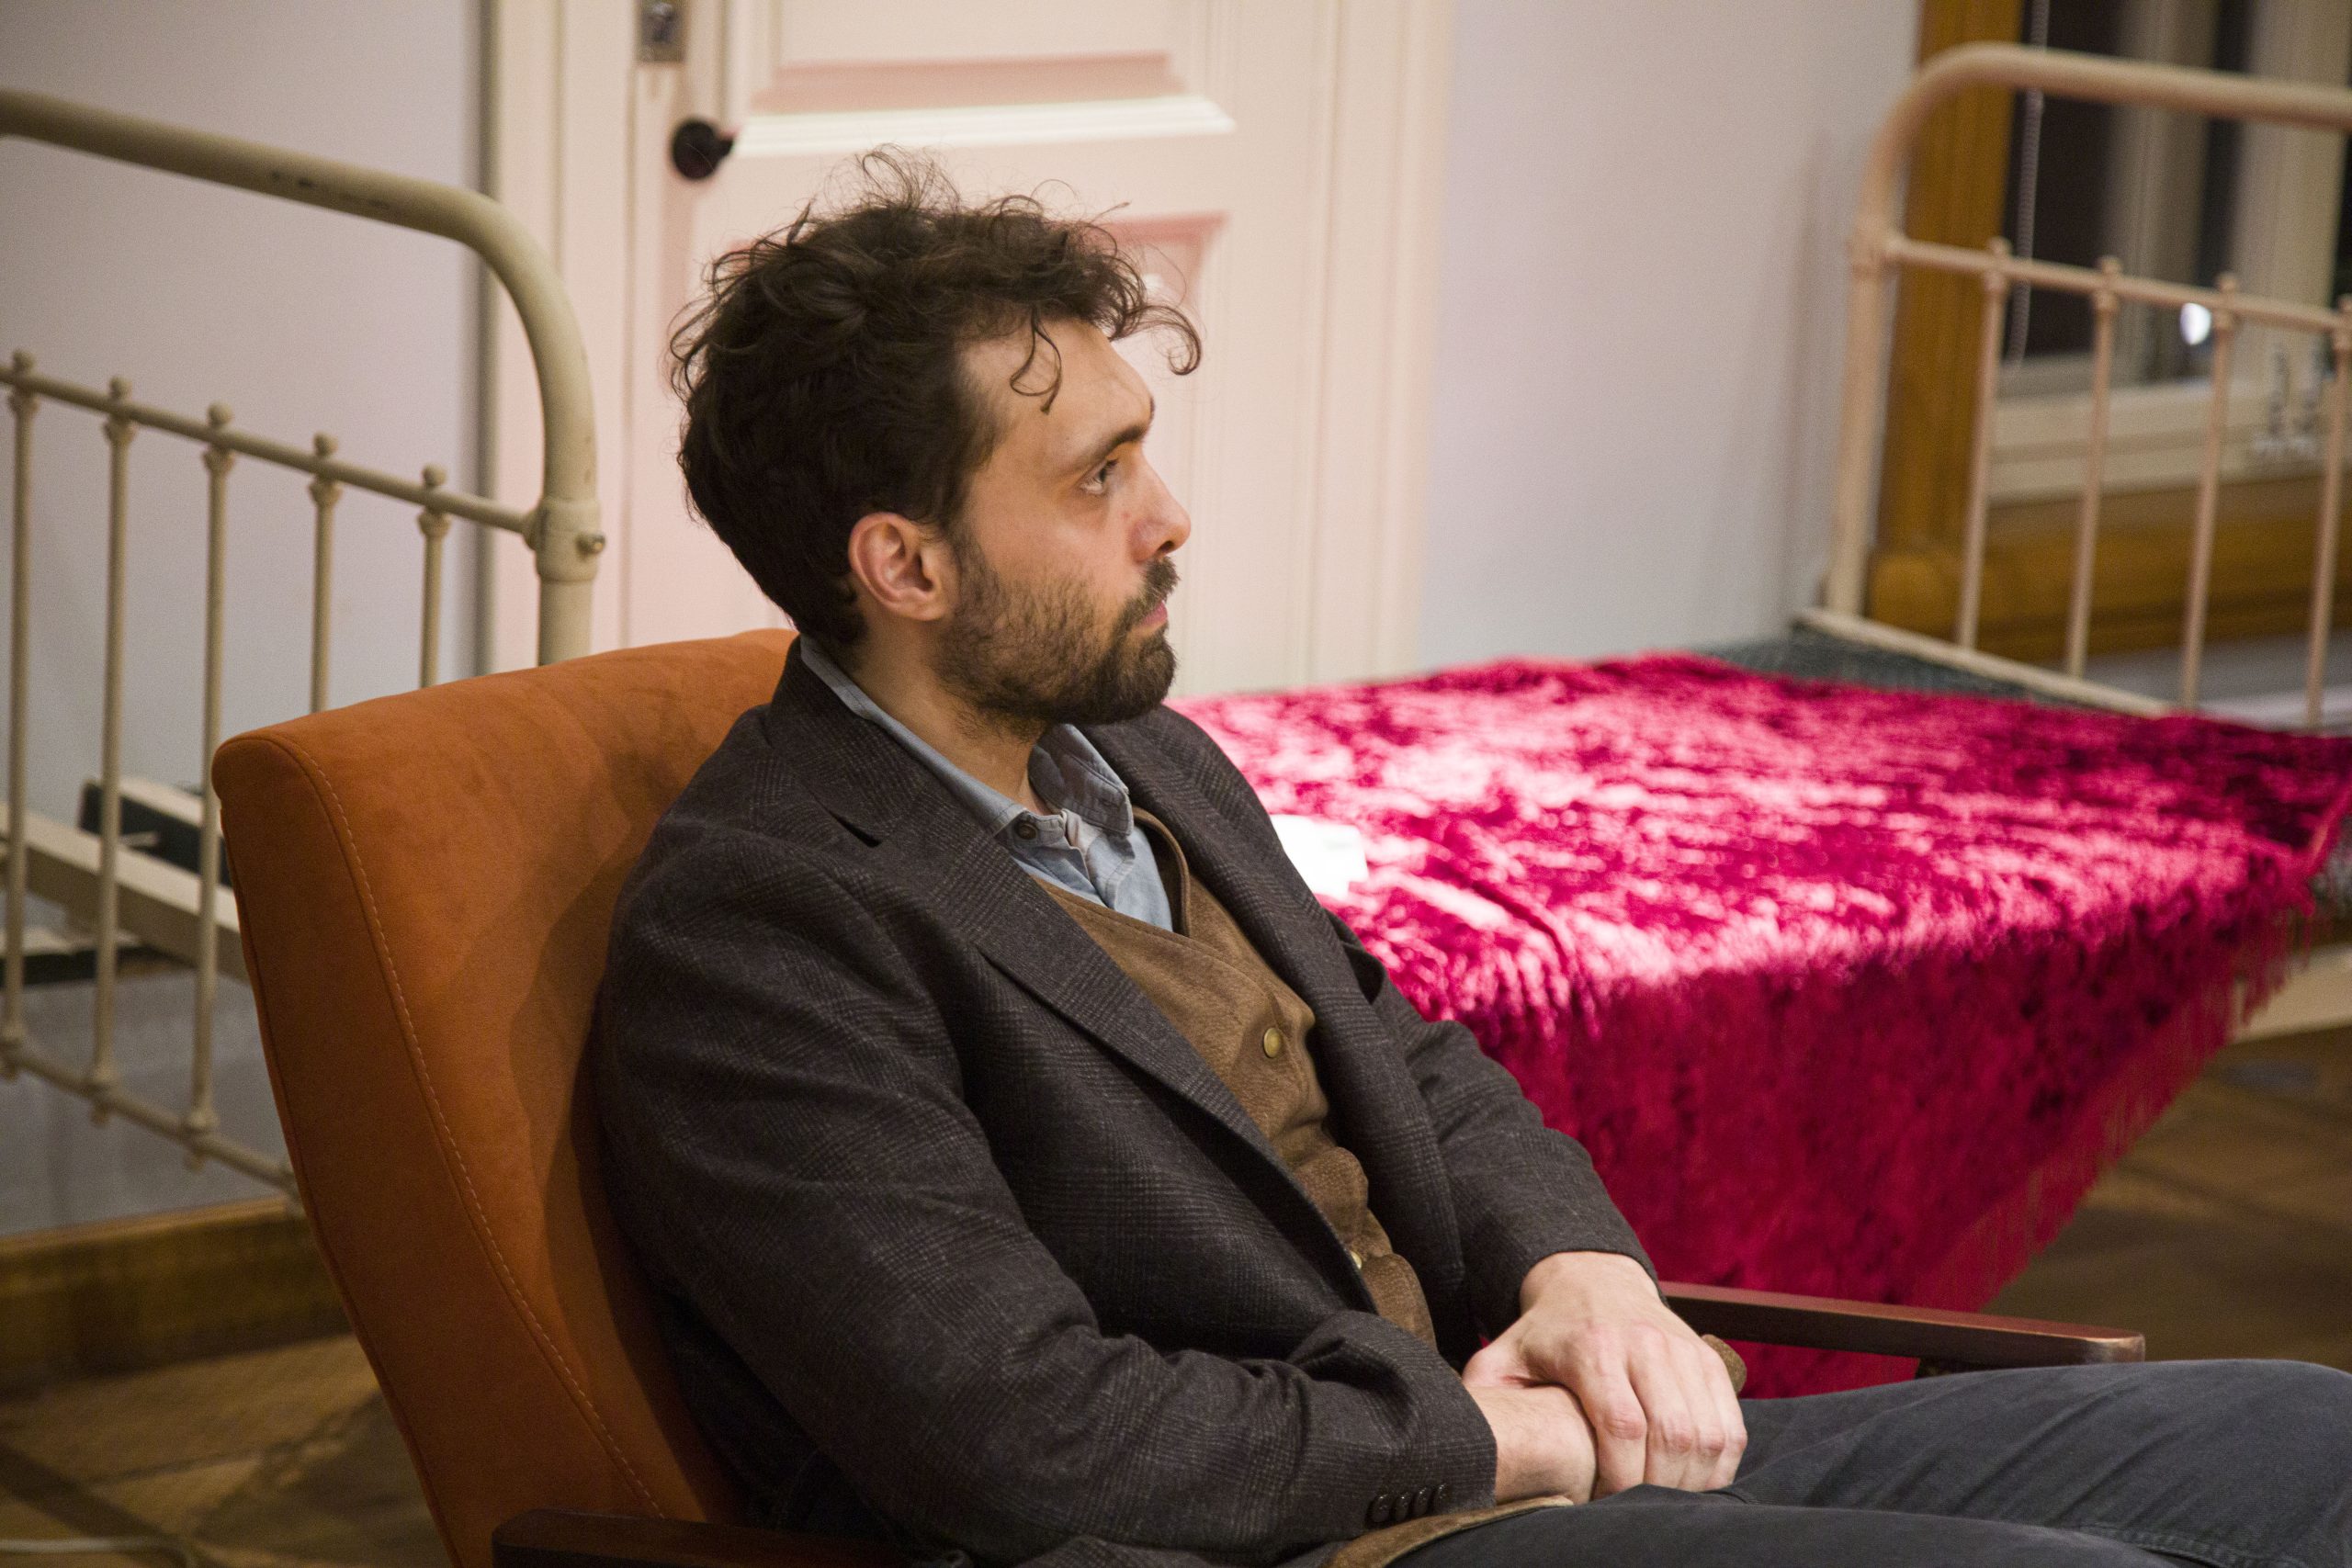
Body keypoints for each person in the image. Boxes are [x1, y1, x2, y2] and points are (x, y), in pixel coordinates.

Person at [588, 152, 2352, 1568]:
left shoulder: (1135, 756)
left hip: (1515, 1461)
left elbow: (1405, 1054)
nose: (1169, 517)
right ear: (905, 567)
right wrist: (1499, 1441)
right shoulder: (762, 924)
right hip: (1323, 1539)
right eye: (1097, 476)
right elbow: (1022, 1435)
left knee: (2310, 1438)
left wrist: (1583, 1274)